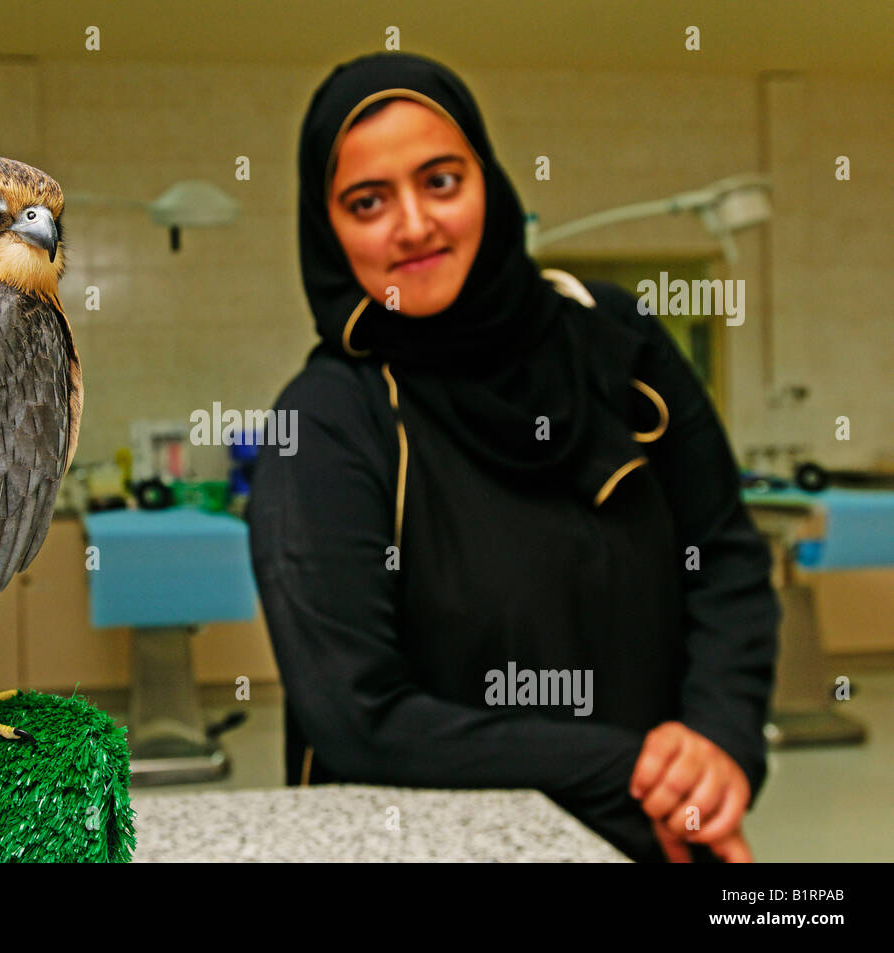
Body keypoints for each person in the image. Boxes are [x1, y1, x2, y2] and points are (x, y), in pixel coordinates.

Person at [246, 52, 780, 863]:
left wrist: (717, 745)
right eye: (367, 201)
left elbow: (727, 563)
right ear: (328, 231)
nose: (414, 225)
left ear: (488, 183)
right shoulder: (326, 423)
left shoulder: (617, 341)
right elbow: (360, 718)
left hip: (655, 834)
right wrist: (635, 769)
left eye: (441, 181)